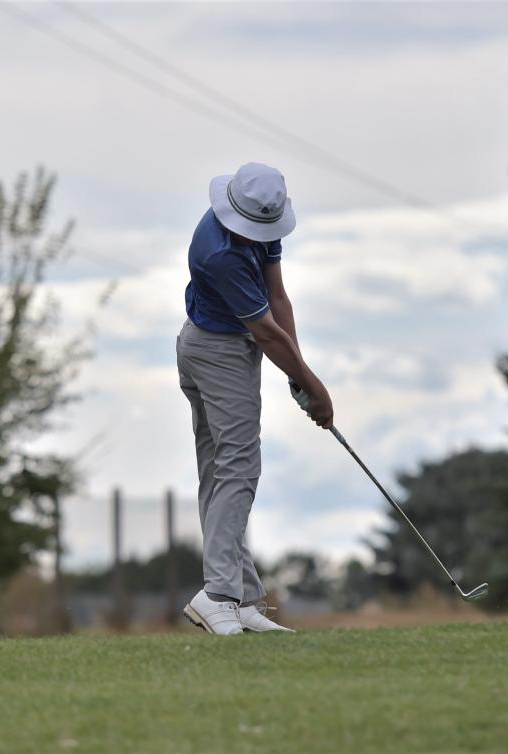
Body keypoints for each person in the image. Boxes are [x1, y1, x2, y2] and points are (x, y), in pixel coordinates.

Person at [176, 162, 333, 635]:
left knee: (220, 471)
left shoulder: (259, 221)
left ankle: (242, 597)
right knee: (240, 467)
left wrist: (299, 371)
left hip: (222, 347)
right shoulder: (217, 252)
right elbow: (264, 331)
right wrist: (316, 388)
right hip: (216, 354)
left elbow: (278, 298)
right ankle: (218, 594)